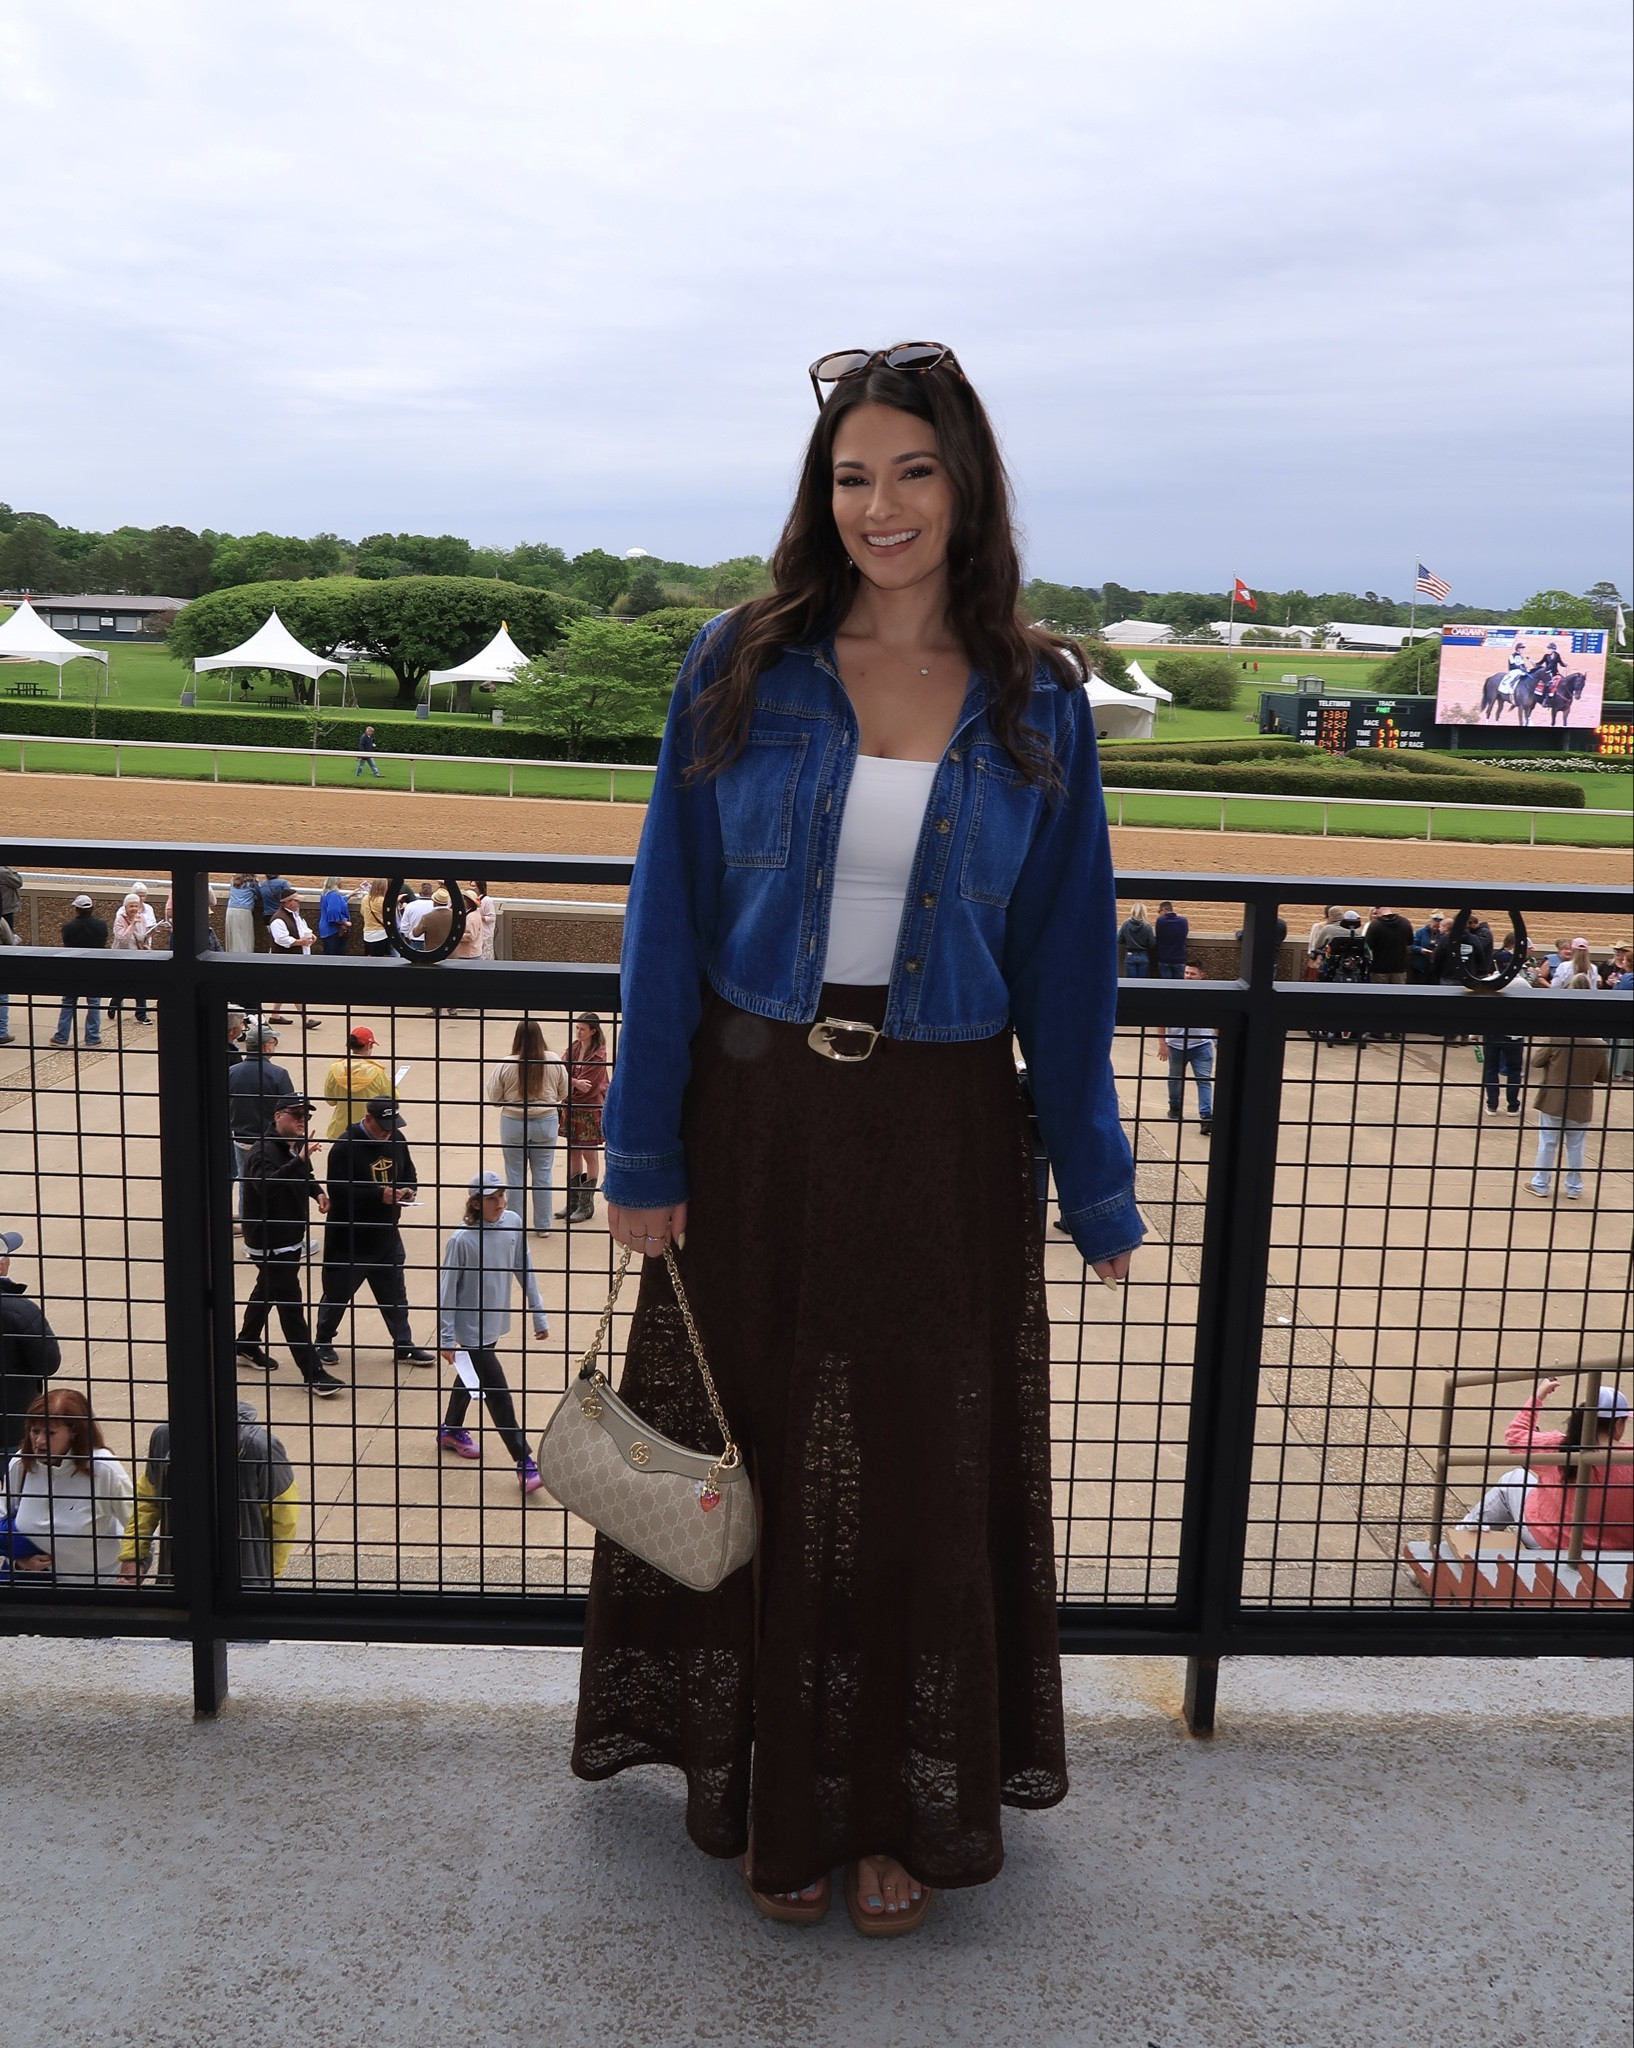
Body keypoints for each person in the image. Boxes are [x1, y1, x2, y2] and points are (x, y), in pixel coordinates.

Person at [575, 343, 1139, 1934]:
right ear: (820, 495)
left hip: (941, 1121)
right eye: (849, 474)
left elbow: (1068, 954)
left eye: (910, 471)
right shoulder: (739, 659)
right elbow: (666, 915)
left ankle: (890, 1802)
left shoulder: (1038, 695)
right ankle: (760, 1788)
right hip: (751, 1113)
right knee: (746, 1449)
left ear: (965, 487)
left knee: (908, 1467)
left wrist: (1095, 1180)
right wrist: (641, 1155)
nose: (877, 505)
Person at [435, 1171, 548, 1490]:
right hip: (470, 1331)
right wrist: (445, 1337)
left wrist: (538, 1314)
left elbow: (524, 1267)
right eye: (490, 1198)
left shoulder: (512, 1222)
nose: (499, 1202)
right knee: (498, 1393)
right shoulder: (461, 1240)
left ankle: (450, 1429)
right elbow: (447, 1290)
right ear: (474, 1203)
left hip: (494, 1324)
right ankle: (524, 1462)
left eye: (501, 1195)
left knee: (471, 1377)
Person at [119, 1400, 299, 1589]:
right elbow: (147, 1502)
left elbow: (284, 1518)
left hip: (241, 1579)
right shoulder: (164, 1438)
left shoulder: (261, 1448)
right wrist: (132, 1556)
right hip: (180, 1576)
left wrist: (266, 1575)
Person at [236, 1095, 344, 1395]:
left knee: (266, 1290)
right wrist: (298, 1160)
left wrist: (317, 1193)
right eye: (296, 1115)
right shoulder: (263, 1150)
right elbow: (265, 1186)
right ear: (277, 1116)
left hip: (288, 1240)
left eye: (305, 1116)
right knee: (291, 1308)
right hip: (271, 1244)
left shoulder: (288, 1147)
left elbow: (303, 1174)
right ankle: (314, 1375)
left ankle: (245, 1344)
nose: (302, 1120)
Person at [315, 1097, 434, 1366]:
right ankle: (322, 1341)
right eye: (383, 1127)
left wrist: (408, 1190)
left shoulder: (397, 1139)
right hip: (350, 1238)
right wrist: (378, 1195)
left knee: (395, 1295)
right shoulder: (344, 1148)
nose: (388, 1132)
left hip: (386, 1235)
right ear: (367, 1119)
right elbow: (339, 1191)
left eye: (392, 1126)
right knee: (337, 1293)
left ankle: (403, 1344)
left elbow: (409, 1172)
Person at [1458, 1380, 1632, 1552]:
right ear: (1618, 1424)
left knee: (1512, 1480)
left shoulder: (1561, 1446)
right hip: (1614, 1554)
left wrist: (1538, 1396)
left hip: (1550, 1542)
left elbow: (1515, 1437)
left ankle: (1458, 1540)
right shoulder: (1629, 1458)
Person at [2, 1389, 132, 1585]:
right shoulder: (21, 1465)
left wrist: (134, 1566)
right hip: (40, 1584)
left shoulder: (104, 1468)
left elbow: (138, 1525)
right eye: (35, 1431)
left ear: (74, 1432)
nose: (39, 1441)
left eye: (50, 1433)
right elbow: (2, 1519)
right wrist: (20, 1560)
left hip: (101, 1586)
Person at [1526, 996, 1609, 1202]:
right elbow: (1603, 1076)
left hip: (1553, 1098)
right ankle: (1574, 1187)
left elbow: (1536, 1061)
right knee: (1576, 1146)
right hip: (1580, 1101)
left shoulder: (1558, 1037)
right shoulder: (1599, 1043)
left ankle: (1541, 1183)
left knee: (1547, 1142)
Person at [487, 1019, 567, 1232]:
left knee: (514, 1175)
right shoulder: (553, 1060)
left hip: (514, 1122)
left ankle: (516, 1225)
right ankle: (543, 1226)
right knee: (543, 1174)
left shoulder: (507, 1063)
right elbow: (564, 1092)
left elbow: (494, 1097)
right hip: (546, 1121)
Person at [0, 1226, 62, 1456]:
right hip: (12, 1428)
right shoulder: (20, 1310)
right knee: (21, 1489)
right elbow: (48, 1363)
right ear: (1, 1264)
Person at [227, 1023, 296, 1179]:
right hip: (270, 1142)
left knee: (246, 1185)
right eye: (274, 1043)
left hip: (241, 1140)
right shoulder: (279, 1074)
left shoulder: (231, 1072)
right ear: (267, 1046)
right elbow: (290, 1110)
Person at [559, 1012, 609, 1222]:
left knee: (590, 1155)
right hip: (572, 1107)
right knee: (573, 1152)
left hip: (588, 1109)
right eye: (577, 1028)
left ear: (593, 1031)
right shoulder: (575, 1048)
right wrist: (573, 1082)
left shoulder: (598, 1054)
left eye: (582, 1029)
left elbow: (588, 1088)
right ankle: (573, 1202)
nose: (578, 1032)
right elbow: (559, 1070)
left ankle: (586, 1205)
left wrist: (567, 1085)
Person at [1160, 964, 1215, 1135]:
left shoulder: (1207, 996)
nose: (1189, 976)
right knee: (1175, 1079)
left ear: (1201, 975)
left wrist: (1217, 1040)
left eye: (1192, 973)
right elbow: (1161, 1019)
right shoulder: (1175, 994)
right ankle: (1174, 1106)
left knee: (1204, 1081)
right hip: (1176, 1046)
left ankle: (1206, 1117)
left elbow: (1217, 1016)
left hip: (1201, 1046)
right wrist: (1162, 1043)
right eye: (1186, 972)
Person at [51, 893, 108, 1047]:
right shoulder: (101, 926)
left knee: (68, 1003)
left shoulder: (68, 928)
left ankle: (62, 1037)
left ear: (77, 909)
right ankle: (93, 1036)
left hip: (73, 970)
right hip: (94, 970)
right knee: (94, 1003)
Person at [324, 1026, 391, 1139]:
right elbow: (389, 1099)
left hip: (341, 1131)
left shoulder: (335, 1068)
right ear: (368, 1046)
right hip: (370, 1131)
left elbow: (330, 1100)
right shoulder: (377, 1072)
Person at [106, 889, 157, 1026]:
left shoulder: (141, 918)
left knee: (141, 985)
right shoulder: (119, 919)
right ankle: (114, 1003)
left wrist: (149, 934)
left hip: (137, 955)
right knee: (125, 985)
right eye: (131, 906)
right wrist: (133, 924)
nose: (134, 909)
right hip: (122, 956)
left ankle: (141, 1015)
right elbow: (122, 939)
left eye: (136, 906)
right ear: (126, 907)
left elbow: (140, 937)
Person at [1480, 1023, 1525, 1114]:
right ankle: (1513, 1106)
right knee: (1514, 1070)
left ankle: (1491, 1105)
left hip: (1491, 1033)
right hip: (1513, 1035)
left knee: (1490, 1069)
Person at [1363, 905, 1412, 984]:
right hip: (1399, 970)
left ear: (1378, 910)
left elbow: (1368, 946)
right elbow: (1410, 942)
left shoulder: (1375, 925)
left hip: (1379, 970)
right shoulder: (1405, 923)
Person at [1117, 901, 1156, 978]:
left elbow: (1119, 939)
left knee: (1131, 983)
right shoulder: (1147, 926)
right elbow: (1152, 943)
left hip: (1130, 954)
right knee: (1142, 983)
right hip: (1143, 955)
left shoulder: (1126, 924)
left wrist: (1128, 942)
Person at [317, 876, 354, 956]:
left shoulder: (325, 894)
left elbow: (339, 901)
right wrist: (345, 922)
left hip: (325, 929)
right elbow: (333, 912)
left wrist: (351, 894)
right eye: (341, 882)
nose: (342, 884)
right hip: (333, 931)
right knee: (336, 957)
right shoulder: (334, 895)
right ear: (336, 883)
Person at [225, 873, 260, 954]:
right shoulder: (253, 882)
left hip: (230, 910)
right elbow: (259, 895)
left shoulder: (233, 880)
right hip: (244, 911)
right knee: (245, 938)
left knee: (232, 939)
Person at [1153, 899, 1188, 979]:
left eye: (1159, 912)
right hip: (1179, 958)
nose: (1159, 914)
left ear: (1164, 910)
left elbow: (1159, 935)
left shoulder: (1160, 920)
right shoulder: (1183, 921)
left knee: (1165, 986)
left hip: (1164, 958)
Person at [360, 879, 392, 959]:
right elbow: (390, 916)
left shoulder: (365, 899)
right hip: (381, 934)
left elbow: (362, 912)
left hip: (367, 934)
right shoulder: (383, 900)